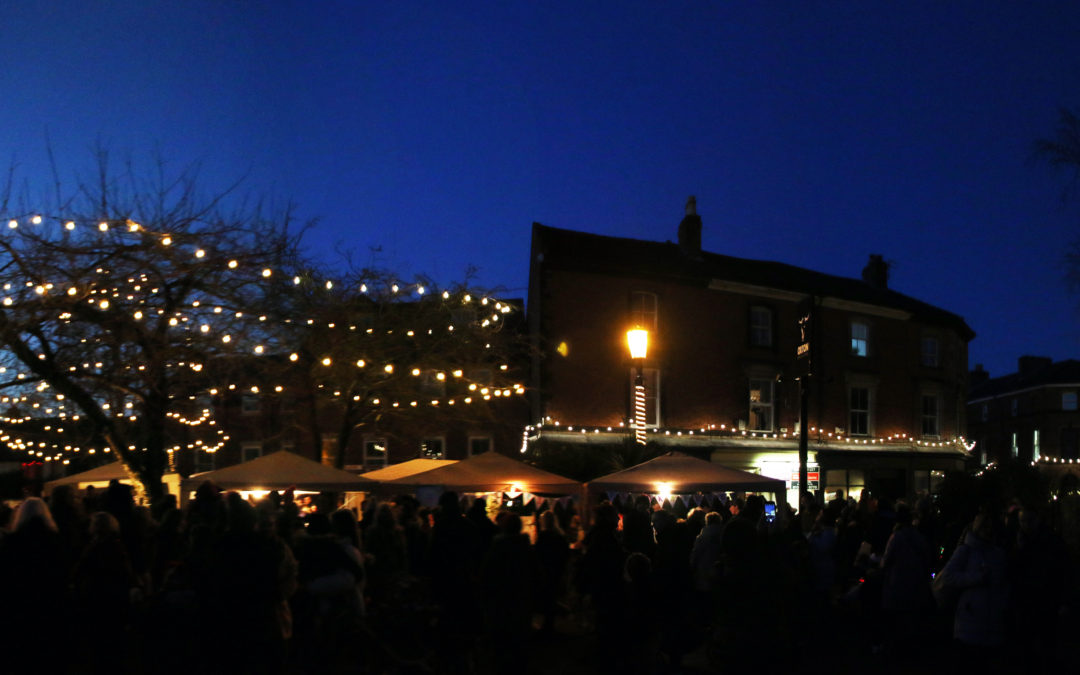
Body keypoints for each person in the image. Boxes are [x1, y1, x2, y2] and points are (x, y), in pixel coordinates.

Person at [937, 511, 1009, 659]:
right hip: (970, 620)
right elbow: (948, 576)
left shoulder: (998, 554)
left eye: (990, 527)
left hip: (990, 620)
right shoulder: (966, 550)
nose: (988, 531)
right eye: (985, 527)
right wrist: (976, 578)